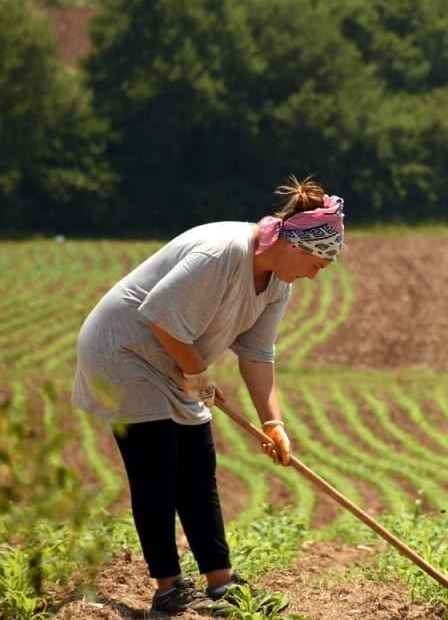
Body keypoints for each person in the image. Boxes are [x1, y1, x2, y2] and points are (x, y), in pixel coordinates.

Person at [72, 177, 344, 614]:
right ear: (296, 246)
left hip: (176, 359)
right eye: (316, 265)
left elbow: (257, 355)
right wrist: (197, 372)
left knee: (198, 463)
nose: (313, 276)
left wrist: (273, 423)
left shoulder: (278, 284)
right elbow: (160, 316)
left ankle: (220, 581)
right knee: (157, 465)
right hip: (125, 350)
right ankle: (168, 588)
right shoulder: (224, 251)